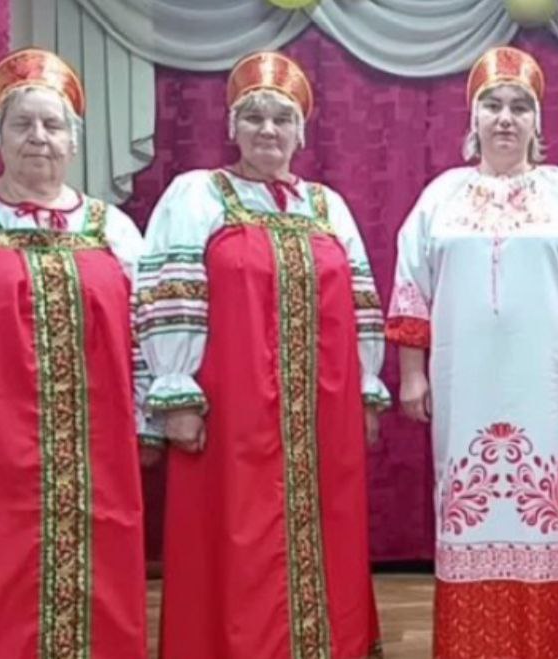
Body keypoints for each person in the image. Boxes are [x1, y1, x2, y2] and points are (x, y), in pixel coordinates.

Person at [137, 51, 389, 658]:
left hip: (324, 413)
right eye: (254, 117)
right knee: (237, 535)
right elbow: (167, 293)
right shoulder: (197, 196)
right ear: (232, 127)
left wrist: (366, 388)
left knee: (329, 530)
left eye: (282, 118)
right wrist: (175, 389)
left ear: (302, 131)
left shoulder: (327, 207)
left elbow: (361, 302)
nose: (268, 130)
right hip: (231, 410)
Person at [385, 45, 558, 659]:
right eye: (493, 105)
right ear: (473, 118)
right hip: (463, 384)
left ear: (537, 122)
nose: (505, 118)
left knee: (550, 508)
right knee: (463, 507)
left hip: (548, 384)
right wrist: (412, 375)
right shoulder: (441, 196)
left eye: (520, 106)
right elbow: (411, 285)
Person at [0, 48, 155, 658]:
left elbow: (144, 329)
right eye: (23, 124)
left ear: (73, 141)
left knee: (104, 574)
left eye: (53, 125)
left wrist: (148, 415)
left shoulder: (111, 228)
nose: (38, 137)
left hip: (99, 446)